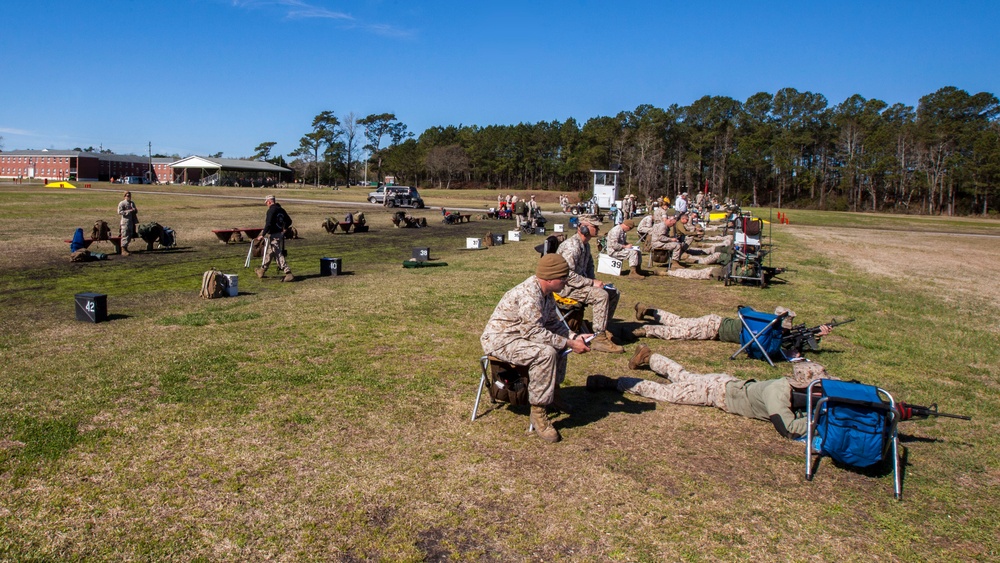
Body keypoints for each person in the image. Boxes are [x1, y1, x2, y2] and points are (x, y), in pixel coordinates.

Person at [588, 350, 834, 439]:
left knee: (682, 375)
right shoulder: (778, 391)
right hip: (714, 393)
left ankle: (650, 357)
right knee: (664, 392)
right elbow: (788, 429)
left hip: (723, 385)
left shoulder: (788, 388)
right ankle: (611, 383)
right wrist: (820, 420)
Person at [481, 254, 593, 443]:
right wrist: (569, 343)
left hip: (520, 336)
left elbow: (551, 323)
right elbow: (533, 332)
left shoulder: (546, 294)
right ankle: (539, 411)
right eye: (563, 278)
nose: (566, 282)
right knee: (546, 353)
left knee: (556, 344)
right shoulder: (530, 295)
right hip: (501, 340)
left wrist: (574, 336)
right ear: (550, 278)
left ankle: (553, 393)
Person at [631, 304, 833, 358]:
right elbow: (784, 346)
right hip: (713, 328)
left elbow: (788, 343)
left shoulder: (767, 326)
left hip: (714, 322)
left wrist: (817, 336)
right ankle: (642, 331)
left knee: (679, 322)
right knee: (677, 332)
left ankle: (651, 311)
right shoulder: (768, 331)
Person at [556, 218, 624, 354]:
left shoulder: (585, 245)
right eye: (595, 227)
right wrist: (592, 283)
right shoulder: (572, 246)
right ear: (584, 228)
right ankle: (599, 338)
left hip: (578, 285)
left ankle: (602, 328)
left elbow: (589, 267)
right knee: (601, 296)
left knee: (613, 292)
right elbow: (567, 275)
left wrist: (594, 280)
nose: (598, 230)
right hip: (566, 288)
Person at [255, 195, 295, 282]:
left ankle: (288, 272)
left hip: (274, 235)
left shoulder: (271, 211)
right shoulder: (281, 210)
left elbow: (268, 224)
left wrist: (263, 234)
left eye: (266, 203)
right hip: (280, 234)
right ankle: (262, 270)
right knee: (270, 252)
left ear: (269, 202)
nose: (267, 205)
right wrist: (284, 229)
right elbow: (289, 221)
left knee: (277, 253)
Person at [117, 190, 138, 255]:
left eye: (129, 195)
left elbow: (135, 211)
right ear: (124, 196)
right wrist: (128, 211)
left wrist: (135, 210)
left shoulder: (132, 203)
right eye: (127, 195)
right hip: (125, 222)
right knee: (125, 235)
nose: (129, 197)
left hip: (131, 221)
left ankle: (126, 248)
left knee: (129, 235)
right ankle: (123, 250)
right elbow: (119, 212)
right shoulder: (122, 203)